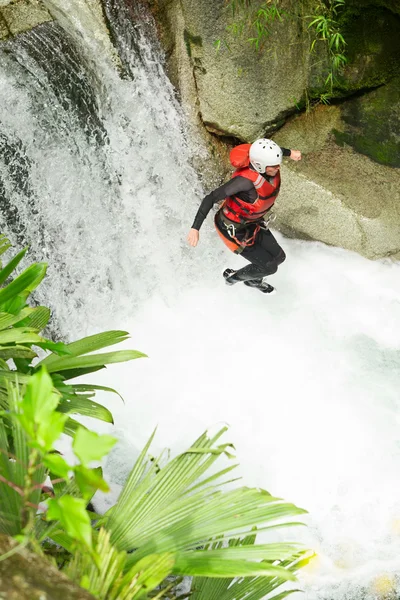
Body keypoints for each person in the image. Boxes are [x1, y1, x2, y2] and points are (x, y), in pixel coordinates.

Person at [187, 138, 302, 293]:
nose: (278, 167)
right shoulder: (244, 182)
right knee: (269, 267)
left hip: (252, 222)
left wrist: (290, 153)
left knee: (279, 257)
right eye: (273, 166)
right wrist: (195, 228)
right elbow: (211, 198)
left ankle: (253, 281)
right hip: (232, 228)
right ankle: (232, 278)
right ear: (260, 165)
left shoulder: (264, 160)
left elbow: (274, 151)